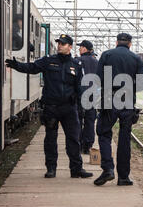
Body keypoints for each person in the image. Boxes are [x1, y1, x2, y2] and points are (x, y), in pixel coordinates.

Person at [5, 34, 93, 179]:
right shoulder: (48, 61)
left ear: (70, 47)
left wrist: (80, 107)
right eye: (59, 43)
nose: (59, 45)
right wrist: (17, 66)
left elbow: (80, 87)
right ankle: (51, 169)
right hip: (51, 107)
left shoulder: (76, 65)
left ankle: (76, 169)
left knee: (73, 139)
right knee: (50, 140)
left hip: (69, 109)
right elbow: (32, 68)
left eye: (63, 44)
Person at [94, 33, 143, 187]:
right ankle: (123, 177)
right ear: (130, 44)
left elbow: (98, 79)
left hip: (109, 99)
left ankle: (108, 169)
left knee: (103, 133)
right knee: (124, 139)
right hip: (128, 101)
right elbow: (142, 84)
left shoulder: (107, 55)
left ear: (116, 42)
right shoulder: (137, 59)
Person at [76, 40, 99, 155]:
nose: (79, 49)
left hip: (79, 95)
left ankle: (79, 144)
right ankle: (88, 146)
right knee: (90, 121)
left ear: (85, 49)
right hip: (93, 96)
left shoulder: (77, 61)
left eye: (80, 47)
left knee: (78, 120)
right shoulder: (97, 62)